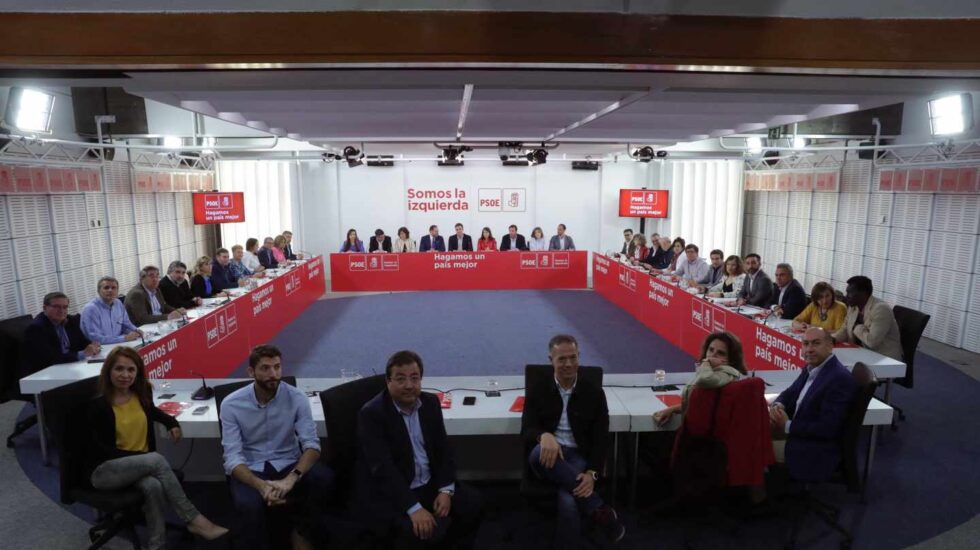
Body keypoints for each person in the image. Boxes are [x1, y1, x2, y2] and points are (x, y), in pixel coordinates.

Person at [84, 347, 228, 549]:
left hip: (140, 468)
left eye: (131, 370)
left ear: (138, 372)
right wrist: (142, 460)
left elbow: (152, 412)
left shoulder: (141, 393)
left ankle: (156, 545)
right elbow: (100, 450)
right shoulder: (98, 406)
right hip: (105, 471)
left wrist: (171, 422)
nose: (125, 375)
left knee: (154, 486)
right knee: (155, 460)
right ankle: (194, 519)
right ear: (108, 371)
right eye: (119, 369)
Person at [357, 350, 484, 549]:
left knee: (473, 503)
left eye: (414, 378)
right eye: (400, 379)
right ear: (388, 382)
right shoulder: (372, 414)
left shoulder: (430, 403)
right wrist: (413, 508)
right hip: (397, 490)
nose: (409, 385)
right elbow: (383, 469)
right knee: (415, 532)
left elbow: (443, 450)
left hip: (430, 483)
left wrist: (445, 490)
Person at [221, 345, 335, 550]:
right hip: (252, 466)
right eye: (265, 368)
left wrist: (291, 479)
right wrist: (262, 486)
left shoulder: (297, 397)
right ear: (251, 372)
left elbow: (312, 445)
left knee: (324, 478)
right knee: (249, 505)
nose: (273, 374)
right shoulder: (231, 404)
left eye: (277, 367)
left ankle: (300, 531)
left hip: (288, 462)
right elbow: (233, 459)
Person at [522, 335, 625, 546]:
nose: (568, 364)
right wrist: (545, 436)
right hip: (546, 455)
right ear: (551, 359)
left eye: (573, 358)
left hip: (577, 457)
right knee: (537, 452)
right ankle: (600, 509)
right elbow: (527, 429)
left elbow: (600, 438)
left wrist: (592, 473)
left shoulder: (594, 393)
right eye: (562, 359)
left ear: (579, 357)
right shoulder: (538, 389)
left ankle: (592, 519)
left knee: (569, 499)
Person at [769, 328, 858, 481]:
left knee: (754, 447)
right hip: (799, 432)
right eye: (805, 344)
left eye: (816, 343)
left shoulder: (838, 379)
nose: (809, 349)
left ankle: (759, 497)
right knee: (750, 432)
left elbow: (827, 429)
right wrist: (778, 405)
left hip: (814, 448)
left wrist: (787, 425)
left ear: (830, 346)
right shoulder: (812, 367)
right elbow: (790, 392)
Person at [653, 332, 748, 425]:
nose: (713, 355)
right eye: (711, 350)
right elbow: (698, 404)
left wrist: (706, 362)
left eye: (720, 353)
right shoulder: (712, 372)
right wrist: (672, 409)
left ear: (731, 359)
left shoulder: (727, 373)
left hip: (705, 436)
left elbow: (704, 380)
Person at [831, 275, 903, 361]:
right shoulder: (853, 307)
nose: (846, 296)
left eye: (850, 293)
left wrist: (856, 327)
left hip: (884, 359)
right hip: (862, 354)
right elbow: (845, 329)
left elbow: (872, 342)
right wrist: (832, 339)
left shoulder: (881, 309)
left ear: (863, 293)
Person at [25, 292, 100, 373]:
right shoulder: (36, 328)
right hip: (48, 372)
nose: (61, 311)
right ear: (44, 308)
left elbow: (84, 343)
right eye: (56, 307)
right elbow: (49, 359)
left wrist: (93, 347)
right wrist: (82, 354)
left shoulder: (71, 321)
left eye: (65, 307)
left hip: (70, 366)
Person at [80, 277, 141, 345]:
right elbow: (95, 339)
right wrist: (124, 338)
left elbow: (126, 324)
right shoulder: (91, 309)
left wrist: (136, 331)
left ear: (117, 291)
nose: (110, 290)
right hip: (102, 348)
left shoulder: (118, 303)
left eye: (113, 288)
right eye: (106, 287)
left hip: (118, 344)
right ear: (98, 291)